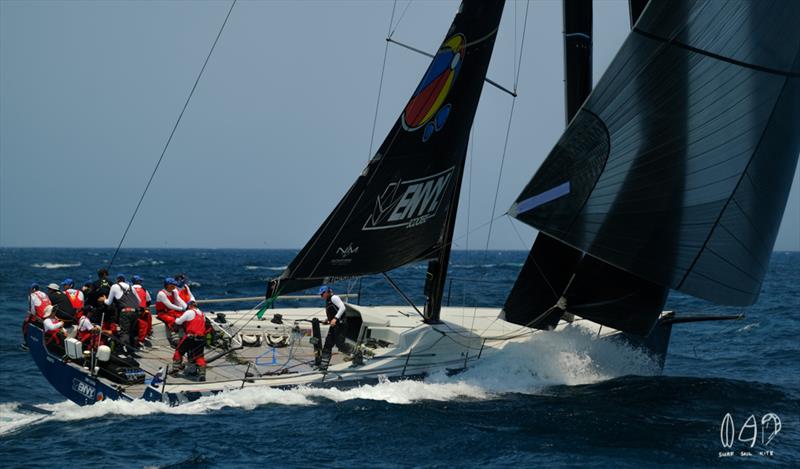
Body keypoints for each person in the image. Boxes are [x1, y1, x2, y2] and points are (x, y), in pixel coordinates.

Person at [100, 274, 141, 354]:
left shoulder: (115, 286)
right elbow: (139, 301)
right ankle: (131, 350)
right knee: (131, 331)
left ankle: (123, 351)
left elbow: (109, 302)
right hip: (136, 312)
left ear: (117, 280)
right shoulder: (131, 287)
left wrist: (104, 300)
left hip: (125, 312)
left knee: (124, 332)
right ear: (124, 280)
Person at [171, 300, 207, 381]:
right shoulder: (202, 314)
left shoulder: (189, 312)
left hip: (190, 337)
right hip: (201, 339)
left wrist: (176, 319)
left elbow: (179, 322)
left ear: (189, 306)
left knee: (179, 352)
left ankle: (175, 371)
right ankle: (202, 374)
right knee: (199, 356)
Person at [318, 285, 348, 370]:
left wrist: (335, 319)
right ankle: (323, 366)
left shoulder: (334, 297)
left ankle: (357, 353)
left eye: (322, 294)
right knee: (327, 345)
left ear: (327, 292)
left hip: (341, 325)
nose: (321, 296)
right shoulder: (328, 300)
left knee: (340, 345)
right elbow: (334, 311)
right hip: (334, 326)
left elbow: (342, 308)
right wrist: (328, 319)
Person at [155, 277, 187, 345]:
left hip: (171, 311)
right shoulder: (161, 294)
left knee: (183, 317)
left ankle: (184, 336)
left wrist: (186, 307)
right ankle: (174, 338)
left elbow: (179, 300)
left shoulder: (174, 292)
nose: (174, 286)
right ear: (168, 285)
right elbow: (169, 305)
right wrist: (181, 309)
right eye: (172, 284)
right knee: (172, 320)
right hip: (162, 313)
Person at [22, 283, 51, 348]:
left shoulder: (32, 295)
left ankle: (27, 344)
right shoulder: (44, 294)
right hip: (49, 315)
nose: (29, 291)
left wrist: (28, 317)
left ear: (34, 289)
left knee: (25, 325)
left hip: (41, 318)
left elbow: (32, 311)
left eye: (30, 289)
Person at [131, 275, 153, 346]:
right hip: (142, 311)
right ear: (139, 282)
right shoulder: (144, 289)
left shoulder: (129, 288)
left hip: (132, 311)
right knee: (146, 320)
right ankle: (147, 335)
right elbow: (149, 301)